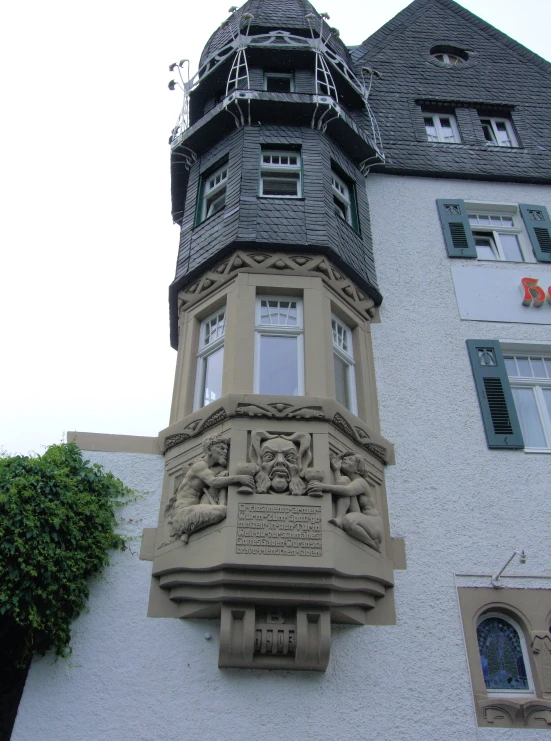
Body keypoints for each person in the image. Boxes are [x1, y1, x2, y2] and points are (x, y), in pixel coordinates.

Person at [166, 435, 254, 544]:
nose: (225, 451)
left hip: (193, 509)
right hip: (183, 514)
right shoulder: (200, 466)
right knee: (221, 511)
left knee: (221, 509)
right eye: (221, 448)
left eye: (226, 449)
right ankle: (187, 531)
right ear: (208, 450)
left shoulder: (209, 468)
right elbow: (213, 482)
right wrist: (238, 478)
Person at [306, 451, 383, 552]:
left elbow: (349, 491)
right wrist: (337, 470)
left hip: (373, 525)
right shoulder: (349, 480)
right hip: (360, 517)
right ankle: (339, 518)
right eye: (345, 458)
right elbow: (342, 486)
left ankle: (372, 543)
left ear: (358, 469)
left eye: (351, 460)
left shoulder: (361, 482)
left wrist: (323, 486)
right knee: (344, 481)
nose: (345, 460)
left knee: (349, 521)